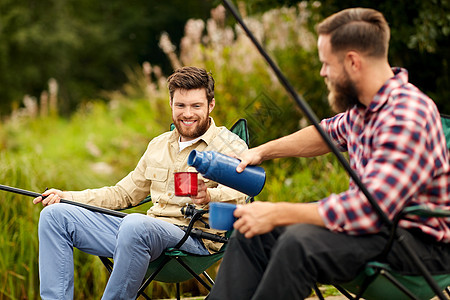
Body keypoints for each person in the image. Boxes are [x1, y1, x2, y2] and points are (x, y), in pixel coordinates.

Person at [207, 8, 450, 300]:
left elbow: (371, 209)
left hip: (418, 247)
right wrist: (261, 151)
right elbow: (325, 134)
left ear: (352, 62)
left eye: (326, 64)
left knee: (298, 242)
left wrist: (276, 212)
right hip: (376, 233)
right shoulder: (367, 108)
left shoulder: (405, 115)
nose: (322, 72)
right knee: (252, 231)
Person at [32, 66, 248, 299]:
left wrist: (209, 197)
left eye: (196, 106)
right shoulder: (158, 145)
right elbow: (123, 194)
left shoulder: (229, 146)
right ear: (171, 104)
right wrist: (67, 196)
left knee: (135, 225)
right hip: (141, 235)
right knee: (54, 217)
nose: (187, 114)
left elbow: (241, 195)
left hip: (193, 240)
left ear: (211, 105)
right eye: (180, 106)